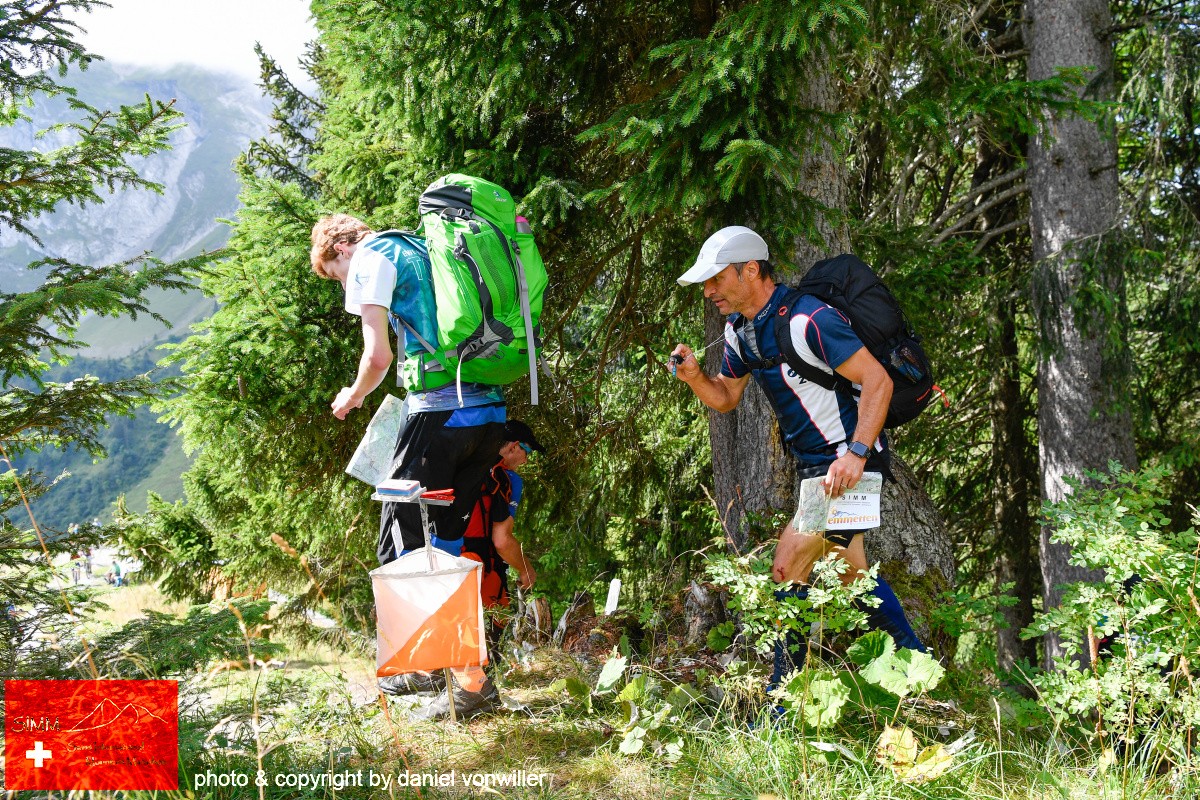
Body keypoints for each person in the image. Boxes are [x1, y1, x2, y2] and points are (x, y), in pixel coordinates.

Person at [670, 225, 926, 693]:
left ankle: (781, 700)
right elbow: (726, 397)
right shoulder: (740, 332)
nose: (708, 292)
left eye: (716, 279)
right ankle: (919, 670)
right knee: (853, 580)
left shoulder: (808, 320)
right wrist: (694, 377)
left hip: (848, 465)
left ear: (751, 270)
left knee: (787, 568)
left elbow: (879, 381)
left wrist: (856, 453)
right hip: (817, 468)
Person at [312, 215, 509, 701]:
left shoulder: (371, 258)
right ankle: (471, 685)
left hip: (438, 416)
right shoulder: (424, 248)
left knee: (402, 545)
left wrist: (353, 395)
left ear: (341, 249)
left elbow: (378, 357)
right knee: (447, 548)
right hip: (488, 417)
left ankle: (421, 670)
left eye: (335, 275)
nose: (343, 285)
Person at [383, 420, 543, 721]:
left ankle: (433, 676)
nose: (526, 460)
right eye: (528, 452)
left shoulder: (458, 461)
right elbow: (502, 540)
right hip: (477, 566)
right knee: (473, 629)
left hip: (440, 556)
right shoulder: (507, 480)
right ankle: (471, 690)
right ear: (513, 447)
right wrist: (526, 570)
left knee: (442, 617)